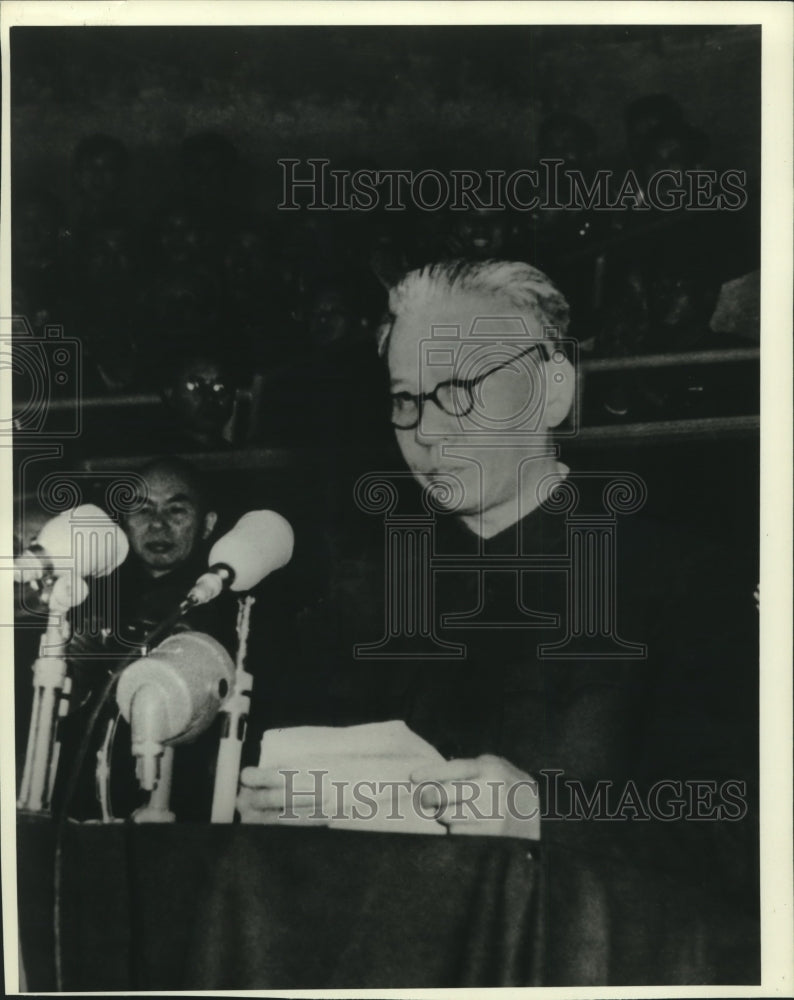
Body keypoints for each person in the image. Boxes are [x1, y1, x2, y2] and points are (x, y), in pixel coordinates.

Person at [237, 260, 757, 907]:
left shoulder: (684, 581)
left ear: (554, 390)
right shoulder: (364, 595)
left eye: (460, 388)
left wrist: (544, 816)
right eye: (407, 400)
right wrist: (293, 811)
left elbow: (736, 835)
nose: (426, 432)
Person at [52, 456, 236, 820]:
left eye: (177, 510)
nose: (157, 524)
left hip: (187, 807)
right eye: (142, 510)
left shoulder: (228, 604)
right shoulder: (89, 594)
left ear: (207, 524)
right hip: (84, 806)